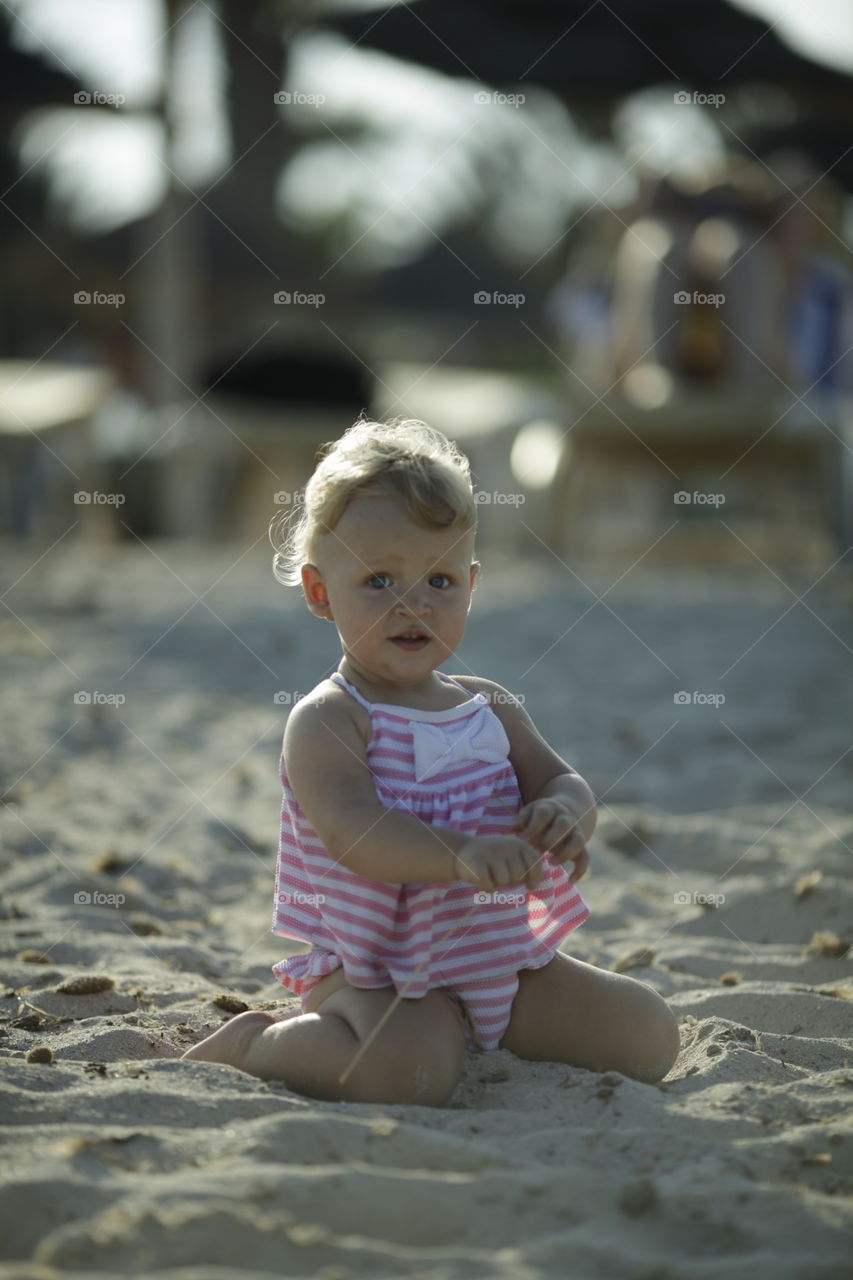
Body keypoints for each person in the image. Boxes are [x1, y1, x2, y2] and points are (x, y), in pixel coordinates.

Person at [181, 417, 680, 1105]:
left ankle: (486, 1029)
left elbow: (562, 779)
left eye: (440, 581)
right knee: (408, 1076)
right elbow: (353, 832)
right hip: (376, 970)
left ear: (470, 586)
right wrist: (459, 853)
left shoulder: (490, 706)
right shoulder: (330, 718)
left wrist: (562, 815)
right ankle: (257, 1043)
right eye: (380, 580)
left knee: (647, 1036)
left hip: (502, 961)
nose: (413, 603)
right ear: (320, 592)